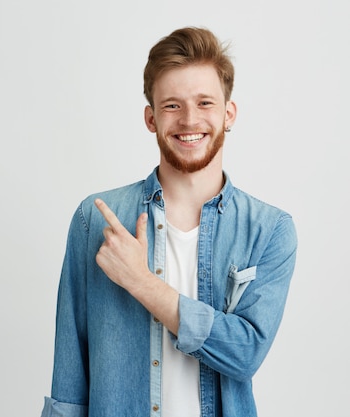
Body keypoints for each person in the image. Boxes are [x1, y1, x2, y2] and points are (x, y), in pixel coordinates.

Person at [40, 26, 298, 417]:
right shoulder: (95, 221)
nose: (189, 120)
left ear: (229, 113)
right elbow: (70, 377)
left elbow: (245, 353)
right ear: (151, 118)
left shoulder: (270, 229)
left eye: (205, 103)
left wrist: (142, 284)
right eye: (173, 105)